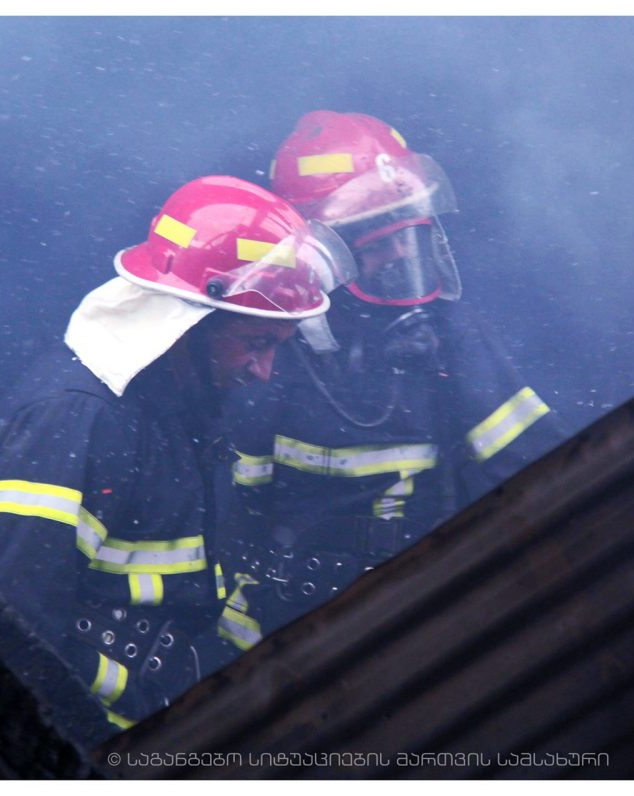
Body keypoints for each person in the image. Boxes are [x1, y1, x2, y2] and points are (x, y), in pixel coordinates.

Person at [0, 175, 355, 733]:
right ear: (189, 323)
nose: (264, 372)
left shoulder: (183, 410)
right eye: (256, 343)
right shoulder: (76, 419)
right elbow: (8, 630)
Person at [216, 111, 568, 647]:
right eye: (378, 237)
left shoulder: (450, 336)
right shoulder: (268, 348)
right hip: (297, 629)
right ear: (320, 251)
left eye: (408, 229)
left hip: (425, 617)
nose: (402, 251)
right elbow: (234, 518)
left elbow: (542, 474)